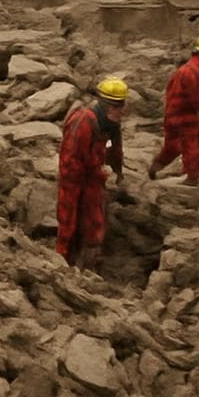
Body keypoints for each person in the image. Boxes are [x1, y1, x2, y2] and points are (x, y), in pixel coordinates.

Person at [56, 78, 127, 272]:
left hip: (92, 176)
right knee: (68, 218)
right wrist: (83, 184)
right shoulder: (83, 122)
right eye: (117, 106)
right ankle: (62, 262)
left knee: (95, 222)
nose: (121, 111)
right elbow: (70, 161)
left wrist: (117, 172)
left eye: (122, 105)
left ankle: (88, 267)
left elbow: (115, 150)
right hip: (75, 177)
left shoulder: (111, 124)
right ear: (106, 105)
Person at [147, 30, 199, 185]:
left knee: (173, 147)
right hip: (182, 114)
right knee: (191, 144)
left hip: (176, 113)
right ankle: (192, 177)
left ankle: (155, 168)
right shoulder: (191, 72)